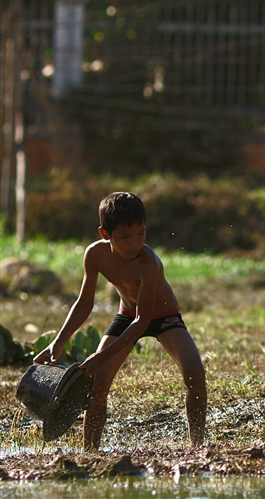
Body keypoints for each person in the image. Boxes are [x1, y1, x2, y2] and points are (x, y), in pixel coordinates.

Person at [34, 191, 207, 450]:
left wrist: (99, 357)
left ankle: (197, 447)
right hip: (127, 315)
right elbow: (84, 303)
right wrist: (58, 342)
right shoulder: (94, 255)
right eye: (125, 237)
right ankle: (90, 453)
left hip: (163, 317)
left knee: (195, 372)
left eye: (141, 234)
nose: (134, 243)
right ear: (105, 234)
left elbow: (143, 320)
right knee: (97, 385)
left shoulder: (149, 263)